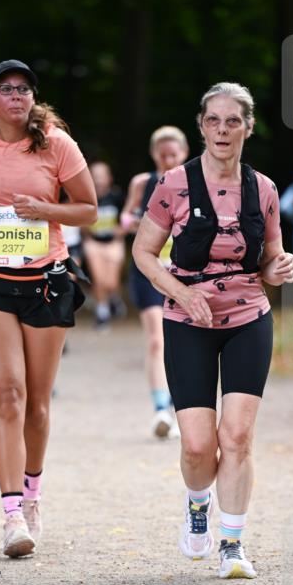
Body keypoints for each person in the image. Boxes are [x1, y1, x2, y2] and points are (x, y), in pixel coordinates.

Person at [133, 82, 293, 579]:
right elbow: (143, 253)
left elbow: (270, 260)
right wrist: (182, 293)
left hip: (249, 317)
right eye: (213, 120)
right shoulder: (174, 184)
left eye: (233, 121)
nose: (223, 130)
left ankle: (233, 544)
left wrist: (280, 269)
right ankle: (197, 503)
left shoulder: (263, 189)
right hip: (189, 320)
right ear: (201, 126)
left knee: (239, 436)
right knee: (198, 446)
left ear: (248, 127)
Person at [0, 59, 97, 558]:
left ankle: (33, 494)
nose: (16, 96)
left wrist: (45, 210)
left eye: (24, 89)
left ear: (33, 98)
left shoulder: (56, 143)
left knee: (37, 403)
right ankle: (11, 517)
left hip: (46, 281)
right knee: (7, 395)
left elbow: (88, 210)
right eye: (6, 89)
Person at [121, 126, 189, 438]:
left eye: (173, 155)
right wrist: (135, 223)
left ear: (184, 153)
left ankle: (180, 409)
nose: (168, 160)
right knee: (156, 339)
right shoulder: (142, 182)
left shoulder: (195, 182)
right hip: (149, 270)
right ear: (154, 155)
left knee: (183, 342)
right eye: (162, 156)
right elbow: (124, 219)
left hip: (185, 273)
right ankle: (161, 408)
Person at [81, 161, 125, 330]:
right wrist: (85, 230)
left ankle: (114, 297)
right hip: (93, 243)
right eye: (95, 177)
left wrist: (120, 230)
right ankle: (102, 313)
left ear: (109, 178)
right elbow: (78, 218)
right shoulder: (85, 197)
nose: (98, 181)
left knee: (111, 282)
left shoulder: (117, 196)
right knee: (99, 279)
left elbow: (127, 217)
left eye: (101, 176)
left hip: (113, 242)